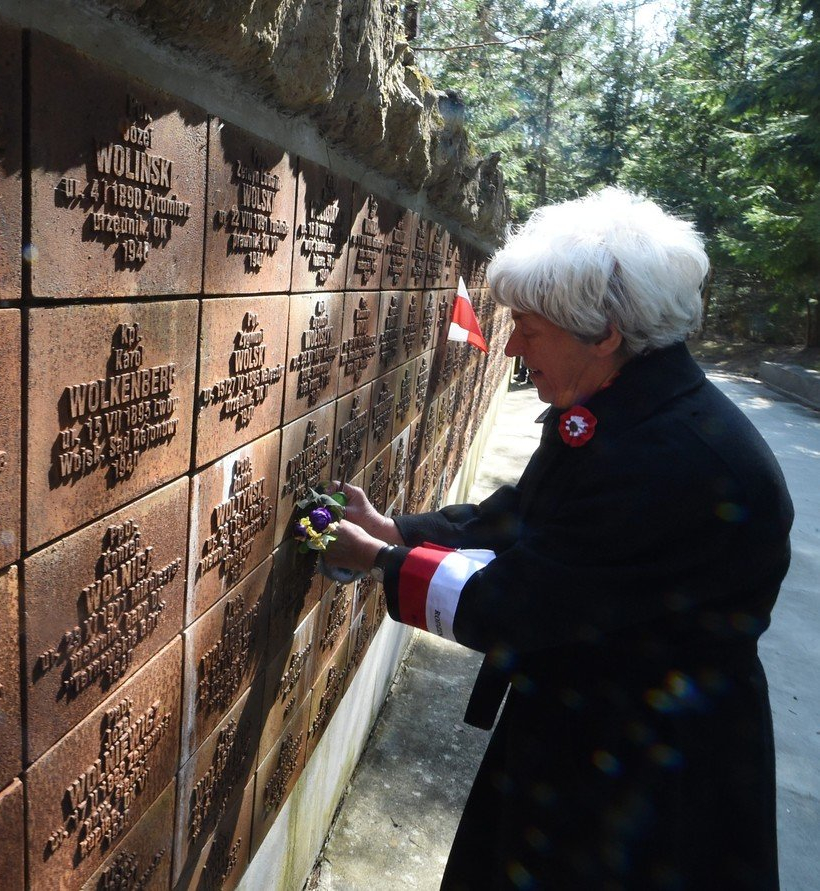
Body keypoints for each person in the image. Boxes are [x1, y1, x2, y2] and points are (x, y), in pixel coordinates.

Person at [323, 188, 793, 889]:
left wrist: (380, 561)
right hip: (591, 731)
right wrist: (400, 529)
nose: (510, 346)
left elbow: (514, 602)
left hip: (644, 781)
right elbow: (526, 515)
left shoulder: (672, 463)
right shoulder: (626, 410)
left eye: (528, 327)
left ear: (603, 330)